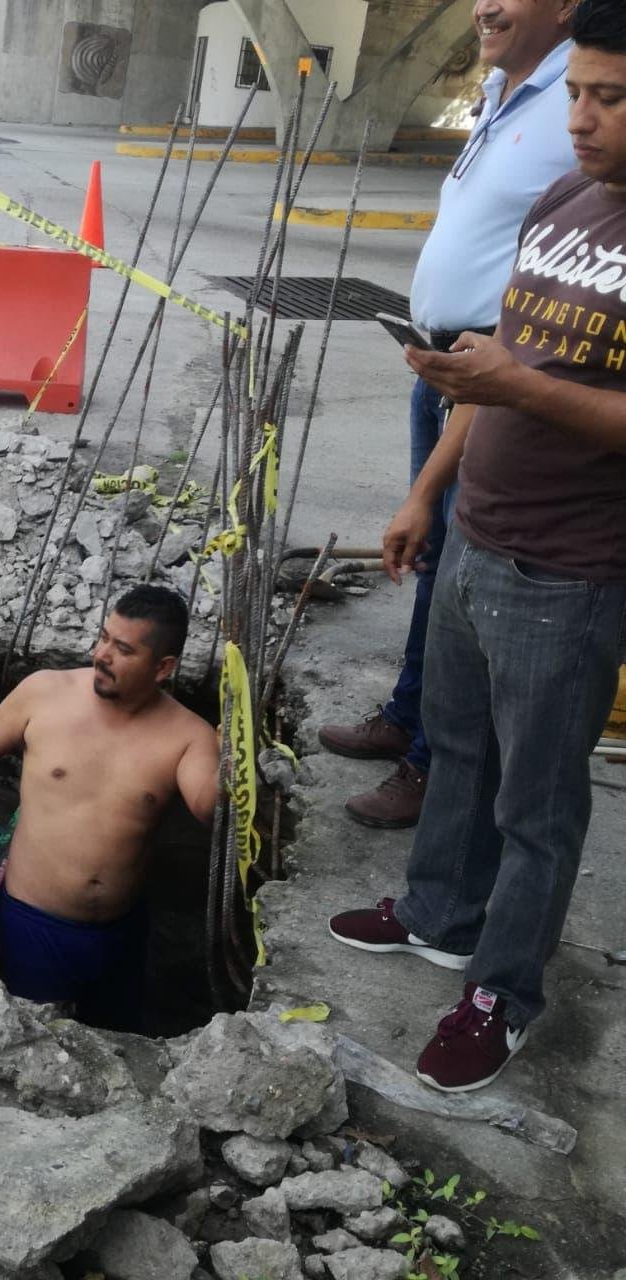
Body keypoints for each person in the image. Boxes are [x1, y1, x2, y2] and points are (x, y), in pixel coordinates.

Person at [329, 0, 626, 1094]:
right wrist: (422, 494)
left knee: (534, 801)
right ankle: (437, 914)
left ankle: (503, 986)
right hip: (475, 534)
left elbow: (522, 379)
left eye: (609, 98)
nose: (582, 119)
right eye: (580, 94)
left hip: (569, 568)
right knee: (454, 747)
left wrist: (513, 385)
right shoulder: (563, 199)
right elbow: (497, 357)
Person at [317, 0, 577, 829]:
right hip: (441, 364)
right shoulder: (504, 90)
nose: (484, 6)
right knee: (434, 558)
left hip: (499, 376)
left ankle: (436, 764)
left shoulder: (579, 99)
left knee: (465, 577)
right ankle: (409, 718)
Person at [0, 584, 219, 1032]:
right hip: (34, 924)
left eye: (123, 649)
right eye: (104, 637)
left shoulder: (188, 736)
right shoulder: (43, 693)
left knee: (117, 1043)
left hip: (122, 932)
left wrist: (237, 768)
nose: (101, 655)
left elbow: (210, 808)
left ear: (163, 667)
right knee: (34, 1043)